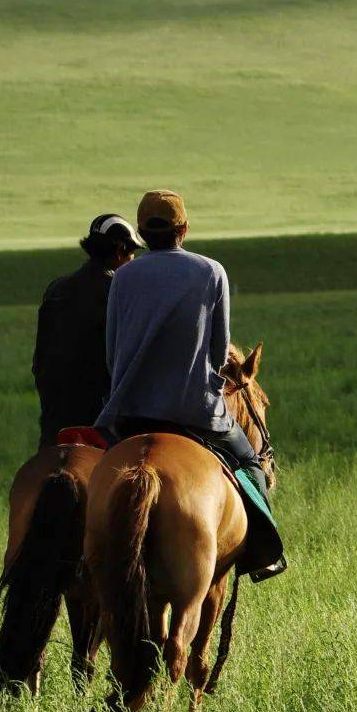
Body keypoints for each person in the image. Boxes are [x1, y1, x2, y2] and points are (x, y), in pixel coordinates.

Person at [95, 188, 286, 580]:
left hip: (129, 413)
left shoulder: (123, 277)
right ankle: (262, 554)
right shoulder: (211, 271)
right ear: (183, 229)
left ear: (144, 234)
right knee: (250, 462)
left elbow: (112, 352)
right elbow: (218, 353)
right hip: (195, 412)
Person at [32, 212, 140, 447]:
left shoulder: (56, 289)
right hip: (101, 422)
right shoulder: (119, 292)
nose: (132, 261)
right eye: (131, 254)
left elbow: (39, 361)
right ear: (120, 250)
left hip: (54, 421)